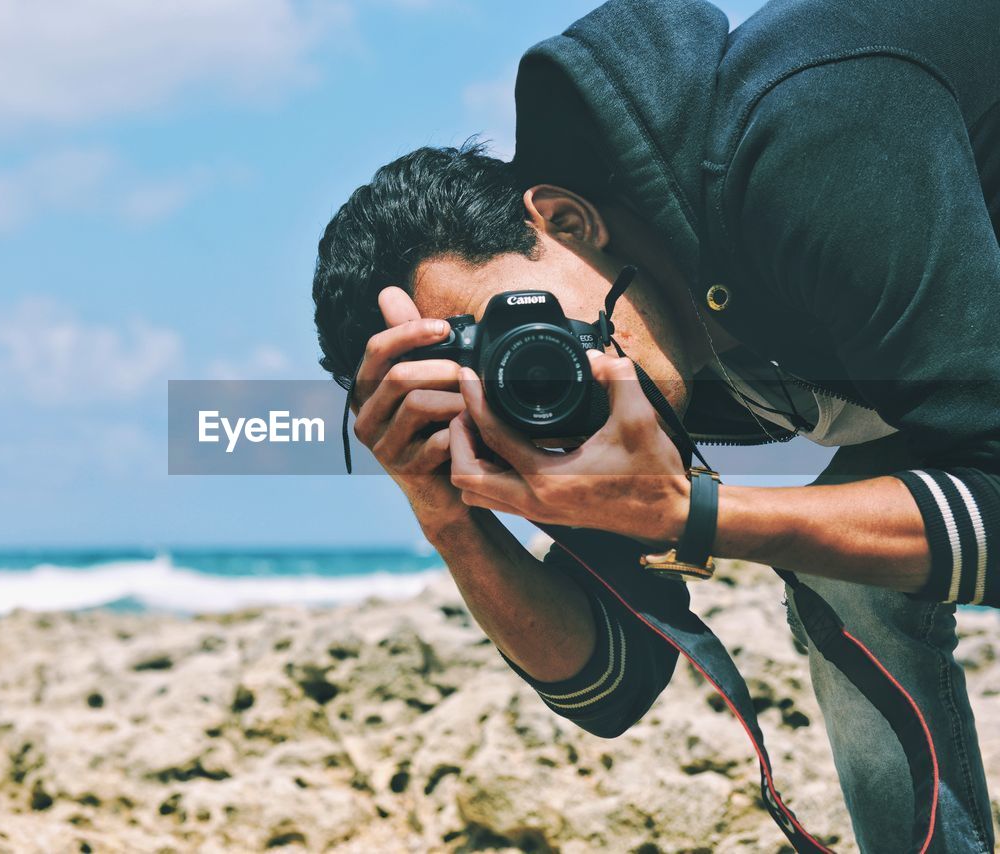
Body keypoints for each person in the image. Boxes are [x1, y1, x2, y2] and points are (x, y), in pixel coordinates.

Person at [309, 0, 999, 849]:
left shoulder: (805, 139)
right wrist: (445, 512)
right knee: (848, 569)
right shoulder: (613, 339)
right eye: (482, 384)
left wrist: (696, 515)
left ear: (564, 221)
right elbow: (613, 685)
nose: (533, 378)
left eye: (524, 337)